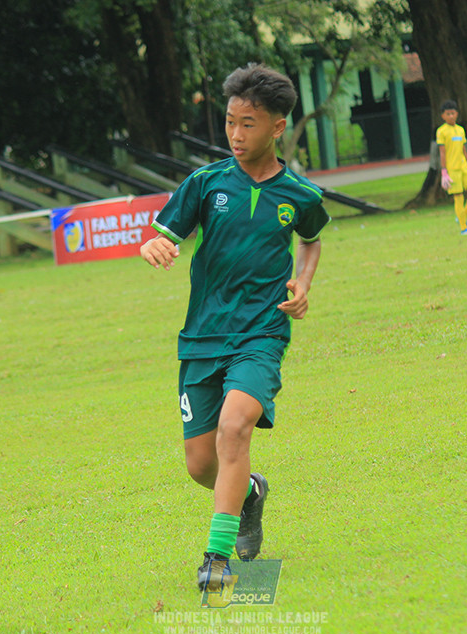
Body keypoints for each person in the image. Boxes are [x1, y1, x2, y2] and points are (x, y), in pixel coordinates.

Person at [140, 63, 331, 593]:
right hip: (202, 337)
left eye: (249, 124)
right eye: (230, 122)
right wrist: (152, 244)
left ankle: (216, 559)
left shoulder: (300, 194)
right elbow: (162, 233)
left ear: (277, 126)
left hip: (261, 334)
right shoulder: (206, 183)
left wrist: (303, 281)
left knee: (234, 428)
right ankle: (250, 492)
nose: (236, 134)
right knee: (201, 464)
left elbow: (312, 238)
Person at [436, 100, 467, 235]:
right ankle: (464, 227)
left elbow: (463, 149)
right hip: (452, 169)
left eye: (453, 113)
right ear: (443, 116)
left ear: (457, 114)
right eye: (448, 114)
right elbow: (442, 152)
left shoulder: (460, 130)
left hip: (464, 167)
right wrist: (444, 171)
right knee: (458, 197)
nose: (451, 116)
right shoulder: (442, 131)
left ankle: (461, 216)